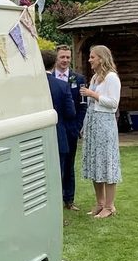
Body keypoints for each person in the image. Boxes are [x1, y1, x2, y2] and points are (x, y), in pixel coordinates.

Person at [79, 45, 121, 218]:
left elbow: (113, 103)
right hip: (93, 122)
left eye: (92, 57)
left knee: (106, 163)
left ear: (102, 59)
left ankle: (110, 207)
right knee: (95, 163)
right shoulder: (95, 77)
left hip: (105, 124)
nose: (90, 60)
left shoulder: (112, 78)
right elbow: (90, 104)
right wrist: (84, 125)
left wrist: (92, 94)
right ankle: (100, 203)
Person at [53, 45, 87, 211]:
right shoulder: (48, 77)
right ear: (56, 59)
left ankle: (69, 199)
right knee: (55, 164)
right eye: (62, 57)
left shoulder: (78, 78)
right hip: (54, 127)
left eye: (67, 57)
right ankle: (55, 199)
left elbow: (82, 106)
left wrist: (78, 126)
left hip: (71, 128)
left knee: (69, 165)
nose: (65, 60)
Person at [43, 50, 76, 192]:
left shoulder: (29, 85)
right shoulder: (62, 86)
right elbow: (71, 112)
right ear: (54, 63)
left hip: (36, 137)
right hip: (58, 134)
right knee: (58, 172)